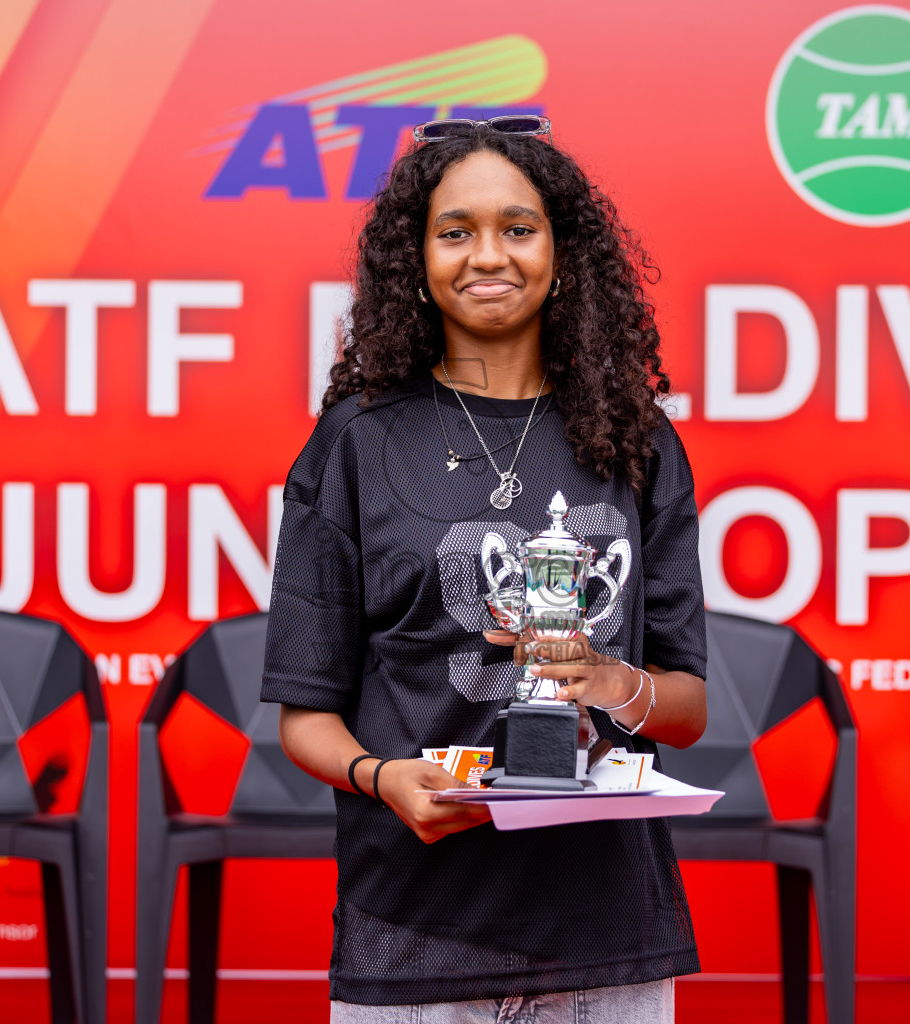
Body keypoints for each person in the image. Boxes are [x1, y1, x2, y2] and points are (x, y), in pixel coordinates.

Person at [261, 115, 709, 1024]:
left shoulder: (639, 440)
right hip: (417, 931)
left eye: (518, 226)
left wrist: (619, 685)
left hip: (607, 937)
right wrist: (381, 779)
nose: (487, 256)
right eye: (455, 231)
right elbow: (307, 718)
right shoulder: (356, 442)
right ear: (416, 258)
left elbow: (689, 708)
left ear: (563, 249)